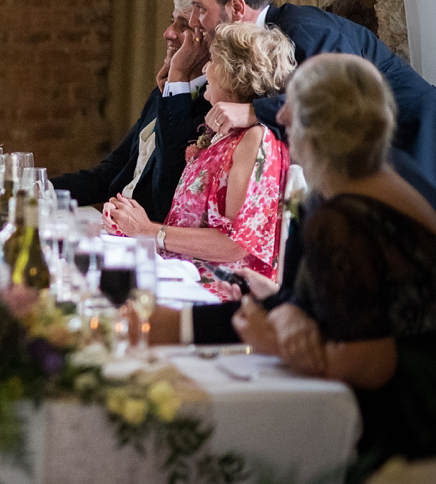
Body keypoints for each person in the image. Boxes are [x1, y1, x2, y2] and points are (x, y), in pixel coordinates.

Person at [232, 54, 436, 463]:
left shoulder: (344, 218)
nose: (279, 116)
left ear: (318, 130)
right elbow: (314, 291)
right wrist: (291, 313)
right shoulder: (387, 172)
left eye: (291, 107)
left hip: (415, 436)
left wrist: (271, 343)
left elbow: (370, 363)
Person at [188, 0, 436, 219]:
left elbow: (342, 96)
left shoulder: (305, 29)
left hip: (419, 132)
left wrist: (254, 112)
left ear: (236, 6)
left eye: (200, 8)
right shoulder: (271, 35)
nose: (192, 21)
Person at [103, 22, 294, 294]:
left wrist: (149, 230)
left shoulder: (256, 139)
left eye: (213, 61)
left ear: (234, 74)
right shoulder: (225, 134)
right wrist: (129, 222)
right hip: (180, 274)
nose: (205, 69)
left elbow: (236, 244)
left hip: (218, 290)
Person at [51, 0, 210, 223]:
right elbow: (109, 173)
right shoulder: (162, 95)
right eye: (171, 21)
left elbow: (166, 189)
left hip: (153, 236)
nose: (168, 33)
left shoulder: (213, 104)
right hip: (117, 225)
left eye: (183, 25)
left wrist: (177, 75)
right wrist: (36, 190)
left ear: (206, 39)